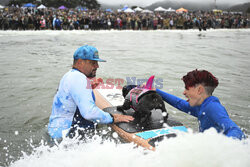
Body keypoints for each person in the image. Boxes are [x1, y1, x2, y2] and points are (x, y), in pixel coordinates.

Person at [48, 45, 134, 139]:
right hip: (69, 138)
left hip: (56, 134)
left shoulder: (68, 76)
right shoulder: (79, 78)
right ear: (80, 62)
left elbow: (69, 100)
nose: (97, 66)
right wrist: (114, 118)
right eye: (93, 62)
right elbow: (89, 113)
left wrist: (89, 88)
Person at [155, 69, 245, 140]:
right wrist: (155, 90)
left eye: (187, 88)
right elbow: (180, 104)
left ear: (199, 90)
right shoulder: (202, 106)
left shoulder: (213, 107)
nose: (184, 92)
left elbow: (235, 130)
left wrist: (224, 148)